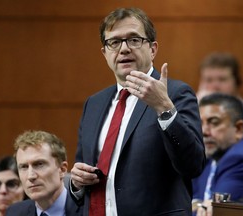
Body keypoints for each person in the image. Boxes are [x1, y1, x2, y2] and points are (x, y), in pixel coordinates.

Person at [70, 7, 206, 216]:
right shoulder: (94, 104)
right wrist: (77, 184)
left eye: (134, 40)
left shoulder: (175, 94)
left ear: (153, 49)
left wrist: (164, 108)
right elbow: (83, 170)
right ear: (104, 53)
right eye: (114, 42)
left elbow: (193, 165)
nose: (124, 49)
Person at [193, 93, 243, 216]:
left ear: (238, 128)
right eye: (200, 123)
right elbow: (192, 199)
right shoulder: (212, 153)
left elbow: (216, 211)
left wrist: (196, 205)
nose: (204, 131)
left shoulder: (242, 158)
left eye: (214, 122)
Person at [6, 130, 83, 216]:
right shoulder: (14, 212)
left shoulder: (87, 210)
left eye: (39, 164)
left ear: (62, 169)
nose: (31, 176)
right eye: (24, 167)